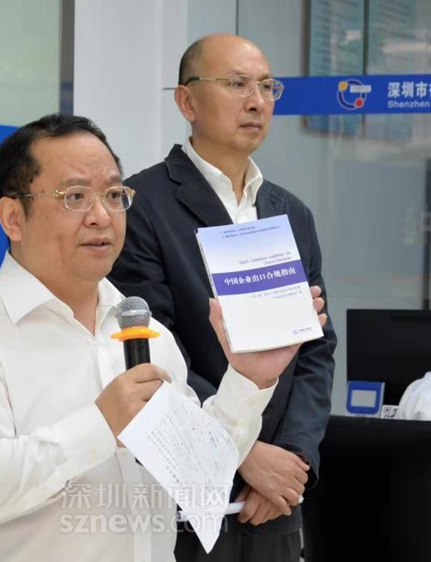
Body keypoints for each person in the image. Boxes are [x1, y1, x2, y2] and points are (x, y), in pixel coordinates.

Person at [0, 113, 327, 562]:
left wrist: (248, 381)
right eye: (75, 197)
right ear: (13, 218)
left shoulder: (146, 332)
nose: (101, 216)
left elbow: (200, 479)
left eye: (113, 194)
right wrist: (100, 425)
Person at [110, 34, 337, 562]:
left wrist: (293, 458)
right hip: (190, 498)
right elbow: (151, 352)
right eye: (237, 84)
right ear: (187, 101)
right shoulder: (143, 206)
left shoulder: (290, 212)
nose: (257, 101)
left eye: (267, 87)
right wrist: (243, 455)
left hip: (278, 499)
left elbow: (315, 349)